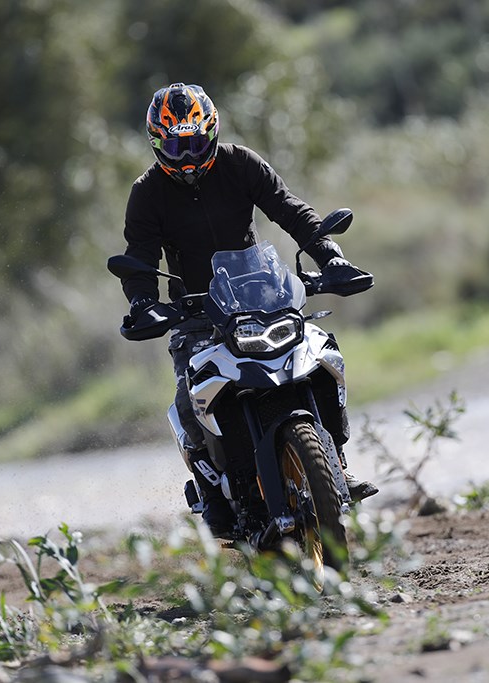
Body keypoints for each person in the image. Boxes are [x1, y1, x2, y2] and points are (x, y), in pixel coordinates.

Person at [118, 82, 378, 537]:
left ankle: (335, 463)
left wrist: (329, 257)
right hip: (197, 315)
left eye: (195, 142)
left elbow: (290, 210)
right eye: (176, 147)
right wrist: (143, 302)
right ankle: (214, 494)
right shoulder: (147, 192)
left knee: (323, 358)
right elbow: (139, 256)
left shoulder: (240, 163)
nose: (187, 156)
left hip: (262, 297)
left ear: (212, 132)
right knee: (189, 399)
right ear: (157, 144)